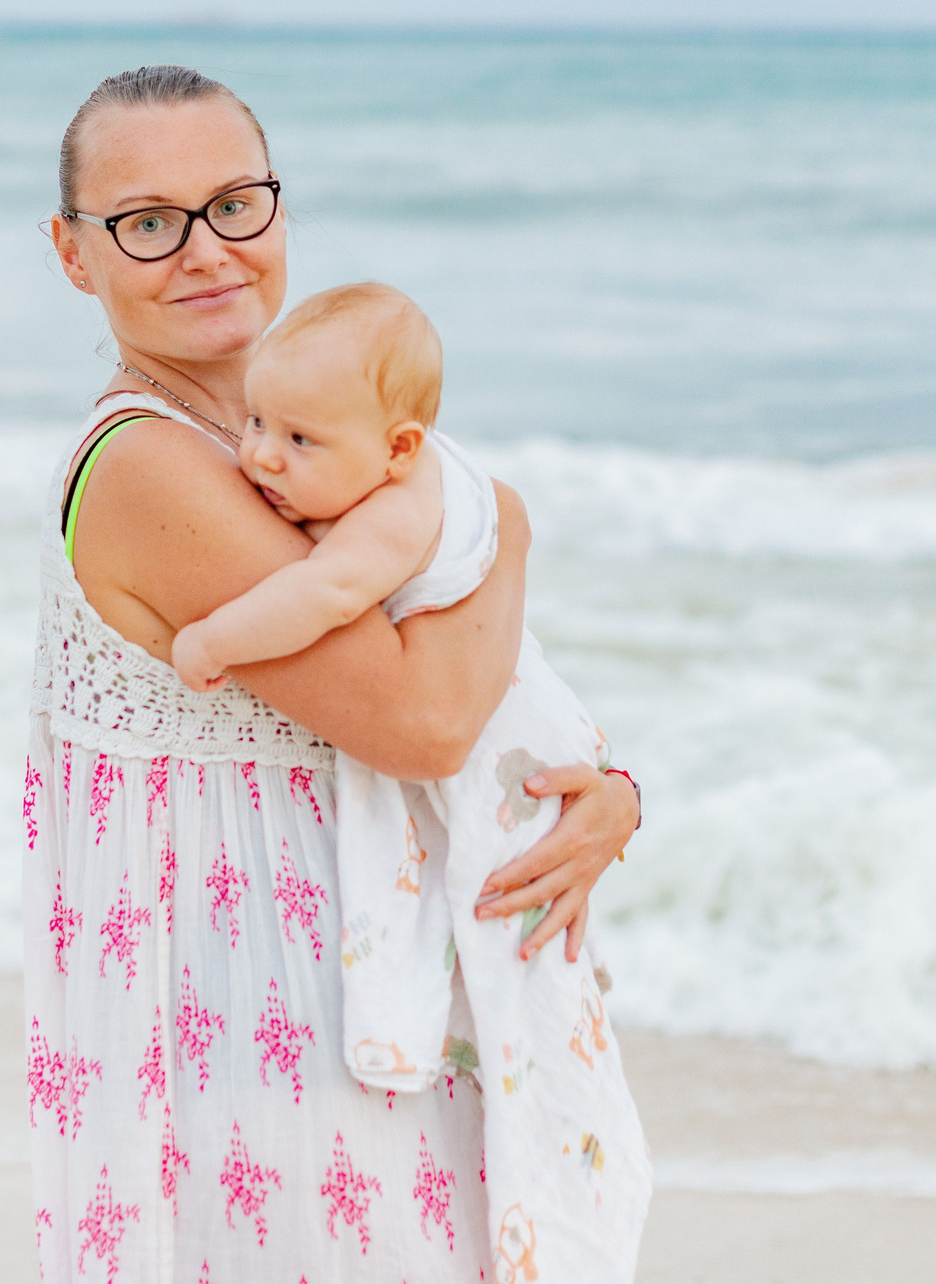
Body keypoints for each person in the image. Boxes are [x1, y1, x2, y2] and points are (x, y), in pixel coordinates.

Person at [30, 66, 642, 1283]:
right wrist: (507, 519)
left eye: (237, 204)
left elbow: (472, 670)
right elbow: (421, 717)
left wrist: (611, 788)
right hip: (265, 1019)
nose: (207, 252)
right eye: (147, 223)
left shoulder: (297, 448)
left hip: (364, 991)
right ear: (72, 252)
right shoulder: (149, 467)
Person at [166, 278, 652, 1278]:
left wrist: (212, 637)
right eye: (257, 422)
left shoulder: (394, 508)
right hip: (497, 710)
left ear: (396, 449)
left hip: (510, 734)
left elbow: (326, 591)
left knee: (500, 907)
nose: (260, 455)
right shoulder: (383, 470)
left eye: (299, 441)